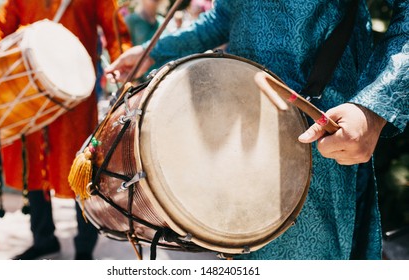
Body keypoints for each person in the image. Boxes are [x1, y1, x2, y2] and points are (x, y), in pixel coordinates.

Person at [106, 0, 408, 259]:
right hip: (238, 136)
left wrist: (372, 109)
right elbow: (225, 16)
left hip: (317, 137)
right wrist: (153, 52)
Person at [0, 0, 132, 260]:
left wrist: (125, 65)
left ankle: (85, 248)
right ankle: (43, 239)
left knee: (80, 169)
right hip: (31, 95)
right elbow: (0, 37)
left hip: (76, 96)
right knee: (33, 171)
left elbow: (115, 32)